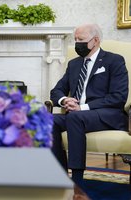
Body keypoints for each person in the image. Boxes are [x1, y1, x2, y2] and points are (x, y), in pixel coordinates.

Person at [50, 24, 128, 189]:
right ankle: (59, 176)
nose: (77, 43)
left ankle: (77, 182)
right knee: (48, 119)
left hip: (107, 115)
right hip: (77, 116)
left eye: (81, 40)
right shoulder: (74, 64)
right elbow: (56, 90)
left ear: (96, 40)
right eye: (76, 39)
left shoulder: (114, 60)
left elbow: (118, 97)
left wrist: (83, 107)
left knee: (75, 117)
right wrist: (65, 100)